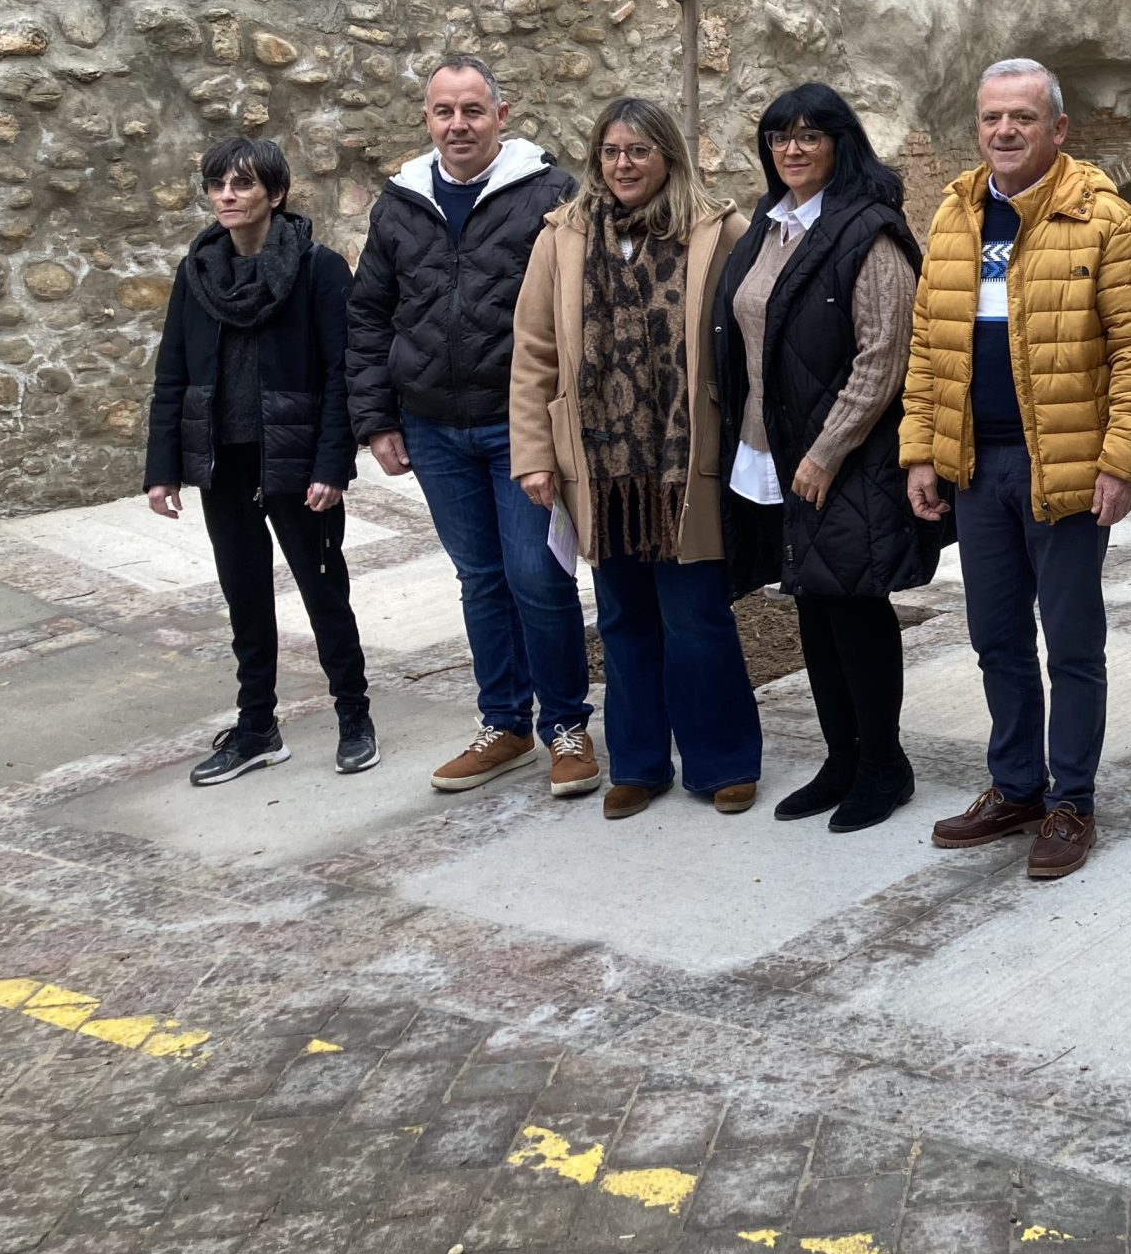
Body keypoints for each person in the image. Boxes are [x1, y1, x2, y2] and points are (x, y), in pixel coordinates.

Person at [901, 58, 1131, 879]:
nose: (1005, 132)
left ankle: (1071, 802)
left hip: (1064, 465)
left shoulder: (1106, 224)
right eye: (992, 119)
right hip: (978, 469)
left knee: (1072, 639)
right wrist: (920, 449)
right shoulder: (953, 217)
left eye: (1022, 118)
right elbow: (927, 348)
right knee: (996, 637)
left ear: (1058, 129)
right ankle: (1017, 784)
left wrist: (1122, 462)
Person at [347, 55, 601, 798]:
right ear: (427, 119)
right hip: (432, 429)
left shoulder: (549, 195)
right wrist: (376, 418)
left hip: (518, 428)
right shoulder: (400, 202)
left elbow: (578, 310)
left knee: (537, 576)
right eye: (443, 112)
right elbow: (368, 315)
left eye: (472, 111)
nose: (457, 125)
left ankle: (565, 726)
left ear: (501, 113)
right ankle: (505, 724)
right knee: (480, 581)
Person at [510, 97, 761, 819]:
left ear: (669, 158)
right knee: (621, 618)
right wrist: (534, 456)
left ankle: (722, 762)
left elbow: (750, 340)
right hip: (601, 468)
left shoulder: (719, 231)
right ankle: (640, 764)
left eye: (640, 151)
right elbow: (533, 354)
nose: (624, 165)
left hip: (687, 460)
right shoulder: (561, 237)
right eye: (612, 151)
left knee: (698, 618)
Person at [716, 84, 946, 834]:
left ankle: (885, 765)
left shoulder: (869, 232)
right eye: (780, 135)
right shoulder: (770, 225)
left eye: (811, 136)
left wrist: (824, 451)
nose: (792, 148)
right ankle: (841, 757)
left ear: (842, 145)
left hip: (841, 459)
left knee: (856, 607)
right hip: (771, 451)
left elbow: (885, 356)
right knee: (812, 604)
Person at [145, 138, 375, 785]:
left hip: (299, 462)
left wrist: (333, 465)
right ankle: (256, 728)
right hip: (225, 462)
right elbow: (172, 375)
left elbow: (343, 376)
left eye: (241, 185)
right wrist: (163, 468)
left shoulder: (318, 269)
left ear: (274, 194)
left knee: (324, 591)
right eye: (216, 184)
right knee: (245, 598)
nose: (226, 195)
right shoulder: (197, 275)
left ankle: (354, 718)